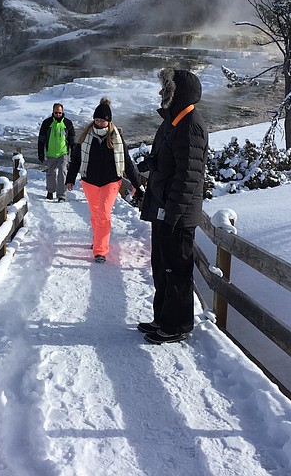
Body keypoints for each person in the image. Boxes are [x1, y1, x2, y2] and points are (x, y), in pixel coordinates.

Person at [137, 68, 208, 344]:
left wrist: (173, 216)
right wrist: (152, 165)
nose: (160, 93)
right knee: (161, 266)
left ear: (178, 94)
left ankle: (177, 326)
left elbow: (188, 178)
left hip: (176, 215)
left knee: (176, 270)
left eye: (166, 89)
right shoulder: (174, 121)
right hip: (163, 209)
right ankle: (162, 319)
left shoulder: (191, 125)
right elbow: (171, 162)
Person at [66, 97, 142, 263]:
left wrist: (136, 184)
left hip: (111, 181)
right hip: (89, 181)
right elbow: (76, 160)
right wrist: (70, 178)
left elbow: (126, 162)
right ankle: (97, 239)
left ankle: (100, 250)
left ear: (109, 121)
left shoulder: (116, 137)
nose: (99, 123)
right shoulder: (85, 137)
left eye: (103, 120)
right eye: (97, 120)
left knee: (103, 213)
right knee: (95, 213)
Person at [38, 102, 75, 201]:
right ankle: (50, 191)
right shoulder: (47, 123)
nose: (58, 115)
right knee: (50, 173)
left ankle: (61, 195)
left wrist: (73, 149)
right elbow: (41, 139)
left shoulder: (67, 123)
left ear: (62, 112)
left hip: (63, 152)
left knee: (63, 172)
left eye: (59, 112)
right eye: (56, 113)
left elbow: (72, 138)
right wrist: (40, 152)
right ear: (53, 112)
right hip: (51, 152)